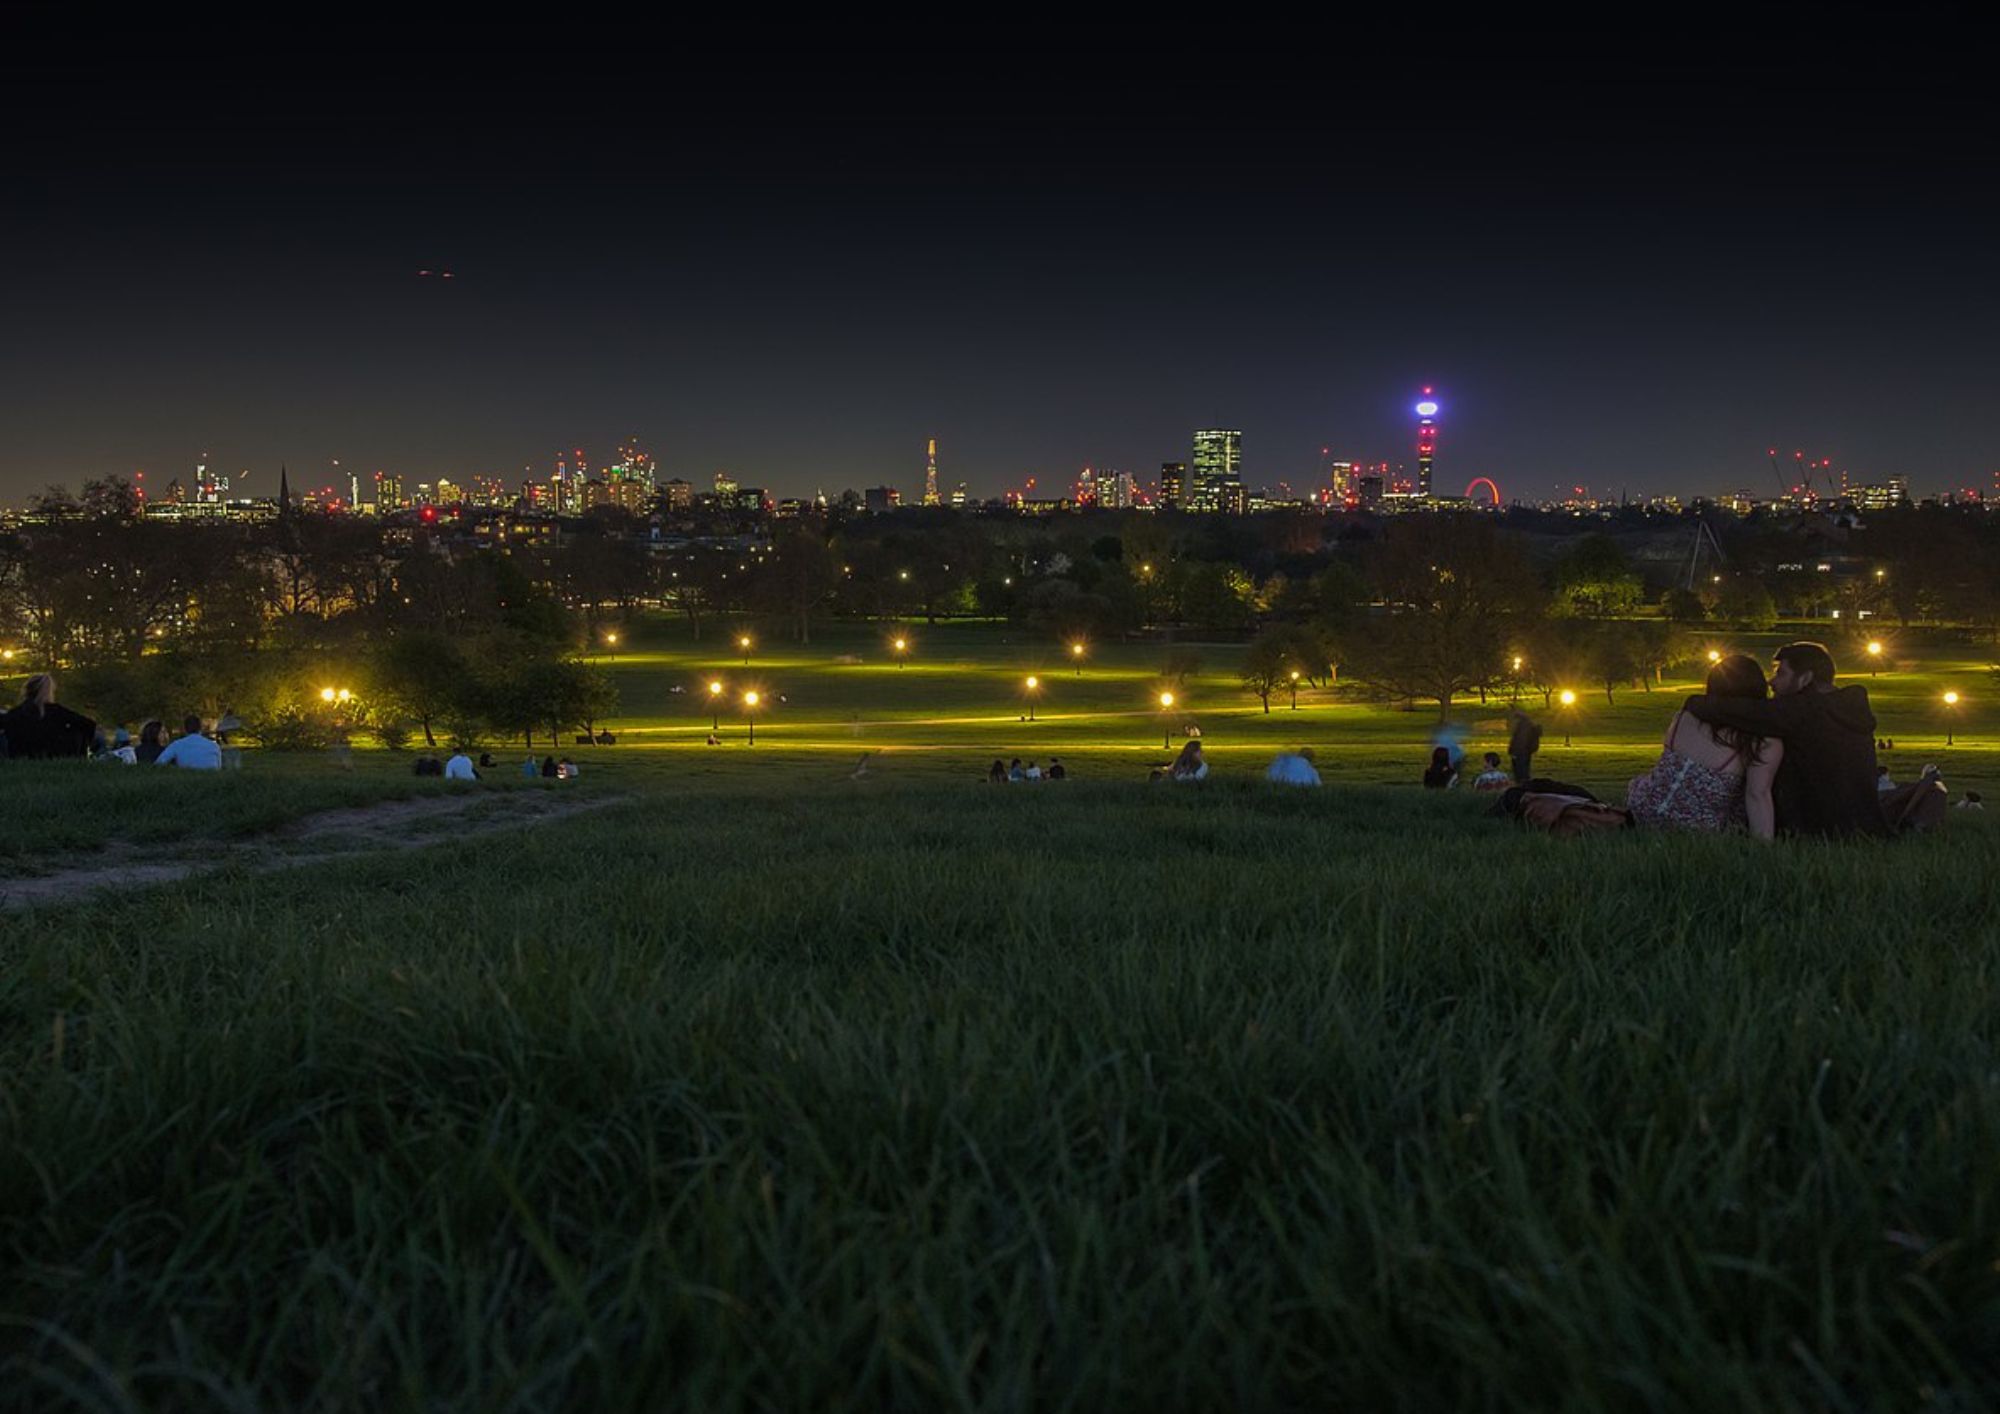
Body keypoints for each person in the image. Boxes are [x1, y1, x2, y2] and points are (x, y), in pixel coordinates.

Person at [1681, 641, 1890, 838]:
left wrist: (1695, 702)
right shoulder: (1847, 708)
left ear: (1805, 679)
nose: (1771, 682)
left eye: (1781, 674)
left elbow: (1741, 711)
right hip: (1864, 824)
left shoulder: (1801, 711)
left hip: (1818, 831)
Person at [1627, 654, 1783, 838]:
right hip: (1698, 826)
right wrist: (1764, 846)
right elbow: (1758, 795)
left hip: (1645, 809)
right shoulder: (1762, 741)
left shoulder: (1684, 717)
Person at [0, 673, 96, 759]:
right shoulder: (56, 711)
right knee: (78, 729)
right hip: (55, 755)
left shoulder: (15, 714)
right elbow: (89, 724)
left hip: (20, 755)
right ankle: (81, 758)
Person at [154, 715, 222, 770]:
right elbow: (218, 768)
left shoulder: (177, 745)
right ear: (200, 728)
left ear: (184, 729)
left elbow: (158, 764)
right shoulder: (214, 746)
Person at [1507, 707, 1542, 785]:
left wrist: (1514, 751)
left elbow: (1520, 740)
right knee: (1525, 770)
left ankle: (1522, 785)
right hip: (1526, 751)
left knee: (1520, 771)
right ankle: (1524, 783)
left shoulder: (1523, 726)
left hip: (1520, 752)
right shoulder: (1529, 724)